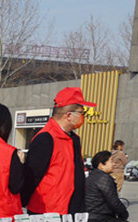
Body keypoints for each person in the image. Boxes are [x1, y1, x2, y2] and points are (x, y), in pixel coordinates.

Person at [22, 87, 96, 215]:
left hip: (73, 210)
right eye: (82, 113)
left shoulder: (74, 139)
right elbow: (31, 176)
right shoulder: (46, 138)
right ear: (69, 115)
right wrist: (24, 201)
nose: (84, 116)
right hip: (48, 212)